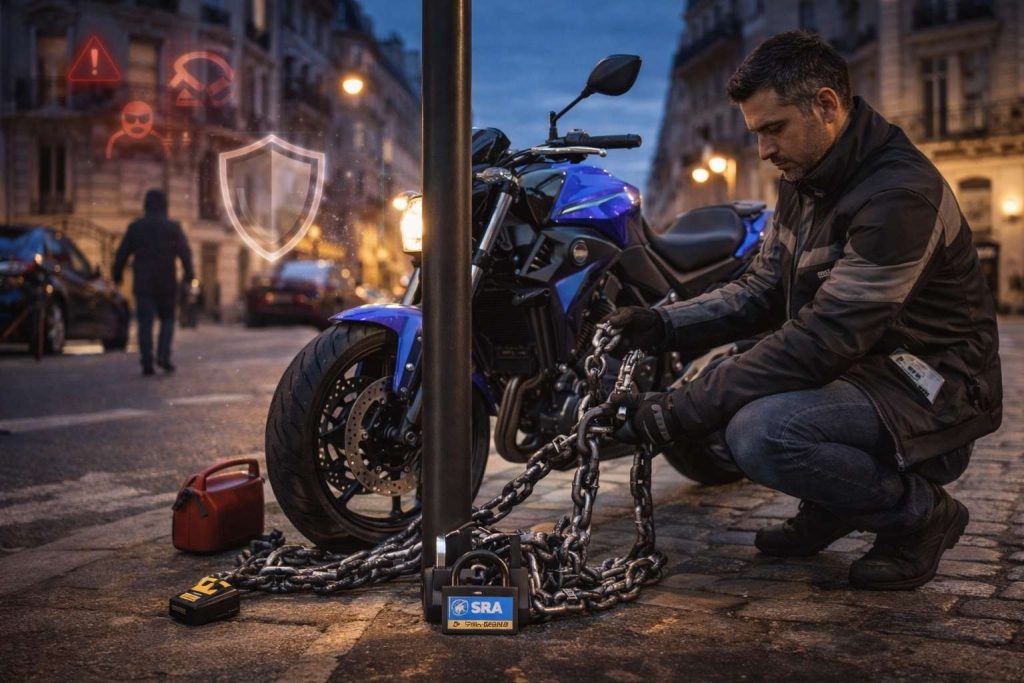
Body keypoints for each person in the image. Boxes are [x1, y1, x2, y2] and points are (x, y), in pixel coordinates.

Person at [607, 32, 1002, 590]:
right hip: (863, 369)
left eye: (774, 129)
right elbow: (762, 288)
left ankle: (920, 515)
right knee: (735, 376)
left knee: (762, 432)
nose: (764, 150)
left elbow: (824, 339)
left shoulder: (899, 197)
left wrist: (679, 411)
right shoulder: (805, 179)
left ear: (826, 105)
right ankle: (837, 504)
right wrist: (664, 322)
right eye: (756, 133)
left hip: (934, 387)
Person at [113, 189, 195, 375]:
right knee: (167, 320)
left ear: (146, 205)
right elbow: (185, 253)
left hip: (143, 282)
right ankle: (163, 355)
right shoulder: (173, 227)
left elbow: (122, 253)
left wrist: (117, 273)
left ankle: (147, 360)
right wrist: (189, 275)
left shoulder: (136, 227)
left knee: (145, 323)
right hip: (167, 282)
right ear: (165, 205)